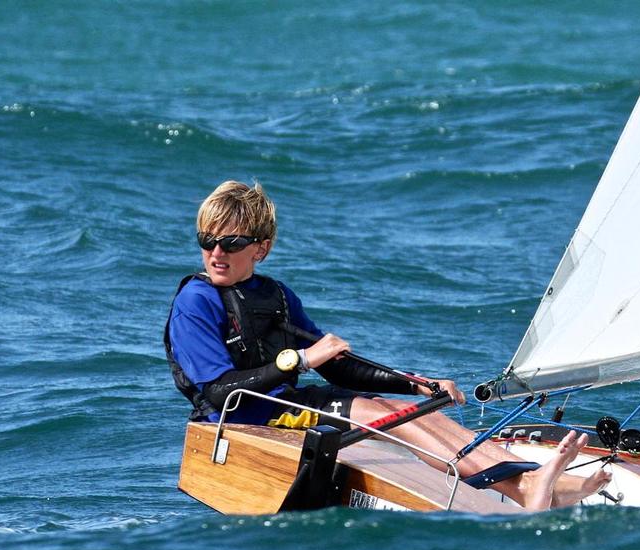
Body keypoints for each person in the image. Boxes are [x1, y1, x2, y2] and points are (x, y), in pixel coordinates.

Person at [165, 180, 611, 511]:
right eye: (208, 241)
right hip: (244, 417)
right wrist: (299, 360)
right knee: (383, 418)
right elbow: (219, 393)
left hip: (289, 403)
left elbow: (339, 367)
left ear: (260, 249)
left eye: (231, 242)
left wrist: (415, 385)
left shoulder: (276, 295)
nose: (216, 252)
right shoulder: (196, 301)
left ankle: (537, 481)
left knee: (417, 415)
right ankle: (524, 489)